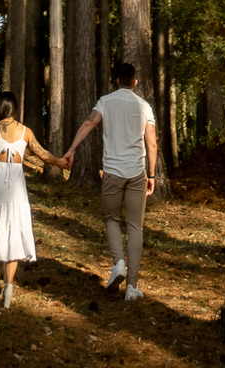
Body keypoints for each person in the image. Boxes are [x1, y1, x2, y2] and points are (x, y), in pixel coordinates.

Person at [63, 63, 157, 301]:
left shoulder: (105, 101)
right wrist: (152, 175)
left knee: (112, 219)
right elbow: (152, 143)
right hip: (137, 173)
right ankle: (133, 287)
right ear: (134, 82)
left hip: (112, 172)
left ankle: (118, 264)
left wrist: (72, 150)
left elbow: (87, 124)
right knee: (135, 226)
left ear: (117, 81)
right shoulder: (144, 106)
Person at [0, 91, 65, 308]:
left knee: (0, 228)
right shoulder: (26, 131)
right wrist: (60, 162)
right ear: (15, 108)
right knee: (14, 230)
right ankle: (9, 284)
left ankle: (5, 279)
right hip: (17, 183)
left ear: (0, 108)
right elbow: (43, 154)